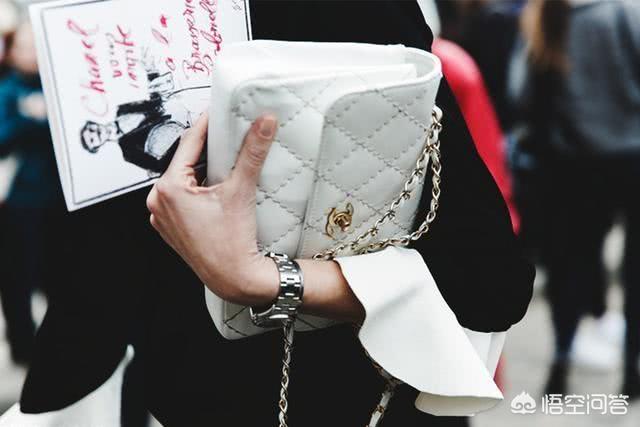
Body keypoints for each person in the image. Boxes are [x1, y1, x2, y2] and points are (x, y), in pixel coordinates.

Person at [2, 3, 534, 426]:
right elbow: (99, 264)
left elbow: (489, 281)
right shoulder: (100, 22)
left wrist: (264, 279)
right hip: (171, 392)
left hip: (335, 399)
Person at [509, 0, 640, 398]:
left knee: (572, 265)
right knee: (634, 268)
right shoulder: (624, 11)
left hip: (571, 164)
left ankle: (561, 361)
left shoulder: (541, 13)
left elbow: (520, 92)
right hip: (632, 157)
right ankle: (631, 369)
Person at [0, 20, 64, 365]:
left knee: (55, 273)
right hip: (18, 201)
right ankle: (23, 344)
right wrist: (31, 119)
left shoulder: (58, 90)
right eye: (23, 47)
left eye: (34, 48)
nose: (29, 55)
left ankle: (56, 340)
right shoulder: (7, 91)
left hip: (57, 201)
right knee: (17, 276)